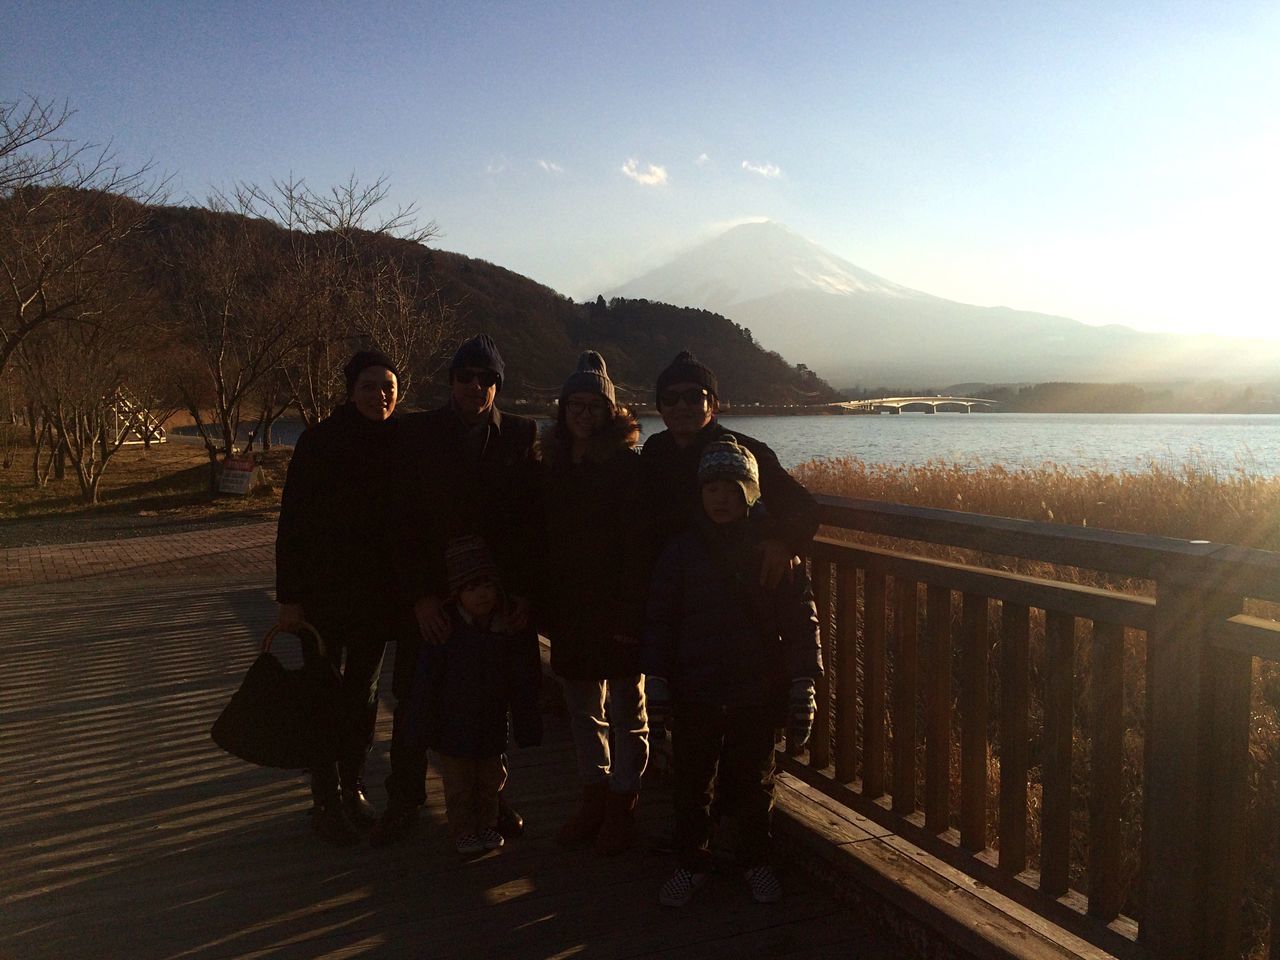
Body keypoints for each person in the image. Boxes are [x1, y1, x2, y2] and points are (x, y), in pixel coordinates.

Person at [372, 334, 542, 847]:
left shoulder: (520, 433)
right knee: (414, 700)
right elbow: (399, 525)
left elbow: (530, 527)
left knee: (491, 700)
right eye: (466, 376)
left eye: (487, 378)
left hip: (493, 598)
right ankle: (405, 799)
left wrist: (523, 595)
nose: (475, 386)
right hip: (431, 595)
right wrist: (420, 598)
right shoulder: (414, 432)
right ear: (451, 381)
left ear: (498, 386)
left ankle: (490, 799)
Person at [641, 437, 822, 906]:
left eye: (734, 488)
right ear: (700, 493)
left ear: (752, 494)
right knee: (690, 782)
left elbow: (801, 621)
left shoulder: (774, 552)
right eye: (712, 488)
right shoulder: (681, 551)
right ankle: (691, 862)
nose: (721, 498)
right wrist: (656, 679)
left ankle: (754, 860)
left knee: (754, 781)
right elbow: (659, 619)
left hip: (755, 690)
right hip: (694, 687)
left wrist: (805, 682)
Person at [274, 349, 402, 845]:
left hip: (376, 598)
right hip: (322, 597)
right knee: (323, 694)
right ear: (351, 391)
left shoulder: (400, 443)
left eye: (388, 385)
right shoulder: (318, 443)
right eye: (369, 385)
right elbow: (292, 526)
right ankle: (324, 798)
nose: (380, 395)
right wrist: (289, 598)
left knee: (364, 696)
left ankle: (353, 786)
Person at [539, 351, 650, 855]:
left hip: (619, 609)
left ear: (611, 413)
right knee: (584, 711)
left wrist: (632, 614)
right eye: (575, 405)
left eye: (594, 406)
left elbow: (639, 547)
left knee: (628, 710)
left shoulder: (628, 468)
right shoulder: (553, 465)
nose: (584, 414)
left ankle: (622, 806)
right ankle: (594, 799)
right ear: (563, 411)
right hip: (571, 609)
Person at [406, 535, 542, 855]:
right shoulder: (446, 635)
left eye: (487, 586)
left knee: (491, 781)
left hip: (492, 727)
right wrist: (418, 726)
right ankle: (464, 829)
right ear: (456, 595)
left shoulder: (504, 631)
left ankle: (488, 824)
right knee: (459, 786)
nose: (481, 594)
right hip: (452, 730)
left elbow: (520, 683)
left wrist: (528, 723)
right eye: (471, 588)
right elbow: (425, 685)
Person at [640, 351, 819, 588]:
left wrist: (783, 543)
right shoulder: (655, 449)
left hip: (729, 589)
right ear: (660, 407)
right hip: (664, 584)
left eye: (694, 397)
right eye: (670, 398)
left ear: (712, 404)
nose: (681, 405)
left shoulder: (745, 453)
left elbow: (803, 505)